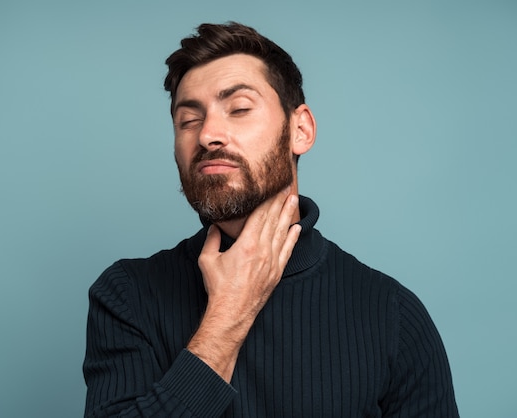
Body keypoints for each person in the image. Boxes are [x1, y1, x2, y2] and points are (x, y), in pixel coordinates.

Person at [83, 22, 459, 417]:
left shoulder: (392, 314)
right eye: (188, 120)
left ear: (301, 130)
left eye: (240, 109)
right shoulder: (127, 295)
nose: (209, 134)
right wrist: (227, 315)